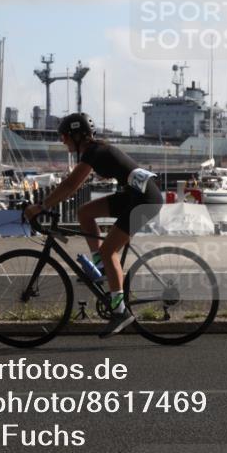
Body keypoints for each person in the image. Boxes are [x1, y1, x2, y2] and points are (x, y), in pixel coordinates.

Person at [23, 113, 164, 338]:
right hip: (133, 196)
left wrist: (40, 207)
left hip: (145, 201)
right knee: (84, 212)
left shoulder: (95, 152)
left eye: (64, 137)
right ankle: (100, 268)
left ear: (78, 136)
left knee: (109, 249)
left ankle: (120, 311)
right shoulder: (95, 151)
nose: (62, 141)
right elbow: (73, 186)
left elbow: (70, 185)